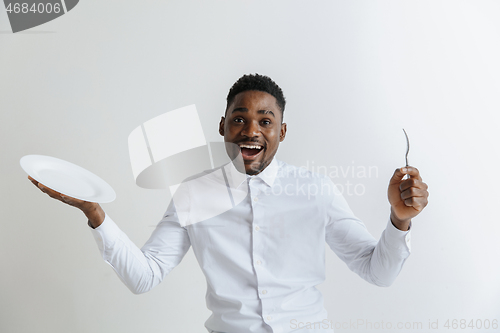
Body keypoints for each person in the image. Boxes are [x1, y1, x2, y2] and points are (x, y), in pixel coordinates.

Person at [29, 74, 429, 333]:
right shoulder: (193, 193)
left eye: (265, 120)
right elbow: (144, 276)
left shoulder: (315, 190)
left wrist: (398, 219)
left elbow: (378, 273)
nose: (251, 130)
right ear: (223, 126)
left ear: (282, 132)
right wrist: (96, 215)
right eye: (239, 118)